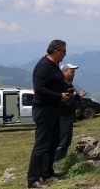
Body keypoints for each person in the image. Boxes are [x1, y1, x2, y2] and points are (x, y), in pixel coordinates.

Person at [27, 40, 71, 188]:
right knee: (41, 145)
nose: (65, 54)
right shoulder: (44, 66)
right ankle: (33, 179)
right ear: (56, 51)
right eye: (64, 51)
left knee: (53, 142)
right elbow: (39, 88)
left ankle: (47, 173)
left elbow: (51, 85)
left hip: (53, 110)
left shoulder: (53, 65)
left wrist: (63, 93)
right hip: (44, 110)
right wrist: (59, 97)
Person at [55, 63, 87, 163]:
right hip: (62, 116)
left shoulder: (70, 85)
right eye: (72, 72)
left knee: (67, 142)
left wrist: (78, 96)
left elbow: (70, 97)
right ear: (64, 72)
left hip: (69, 117)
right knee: (61, 142)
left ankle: (62, 161)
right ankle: (56, 164)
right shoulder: (59, 85)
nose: (74, 74)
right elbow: (59, 99)